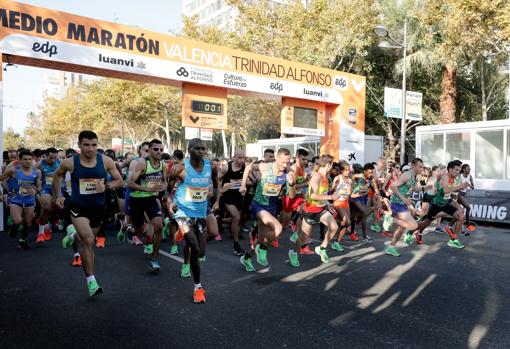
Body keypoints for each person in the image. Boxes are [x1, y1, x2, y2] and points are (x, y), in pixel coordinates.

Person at [54, 130, 122, 297]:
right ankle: (91, 281)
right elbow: (57, 176)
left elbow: (119, 181)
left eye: (94, 145)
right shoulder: (69, 163)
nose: (91, 149)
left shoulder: (106, 160)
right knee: (89, 239)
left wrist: (106, 186)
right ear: (79, 145)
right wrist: (59, 195)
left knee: (88, 243)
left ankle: (73, 234)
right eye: (86, 145)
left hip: (98, 207)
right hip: (78, 206)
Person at [167, 138, 219, 303]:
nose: (202, 151)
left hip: (201, 212)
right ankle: (198, 288)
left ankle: (182, 236)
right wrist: (170, 203)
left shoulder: (212, 166)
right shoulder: (179, 168)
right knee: (195, 248)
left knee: (202, 250)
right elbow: (167, 191)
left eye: (204, 149)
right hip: (182, 211)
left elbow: (217, 184)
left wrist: (216, 200)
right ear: (189, 150)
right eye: (198, 149)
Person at [239, 148, 293, 272]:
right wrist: (243, 185)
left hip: (272, 207)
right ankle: (263, 248)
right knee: (278, 229)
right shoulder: (265, 167)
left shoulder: (288, 173)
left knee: (262, 237)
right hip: (258, 205)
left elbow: (290, 195)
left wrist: (290, 183)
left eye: (288, 162)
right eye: (283, 162)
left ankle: (247, 257)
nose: (285, 165)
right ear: (277, 159)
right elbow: (248, 167)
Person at [289, 155, 339, 267]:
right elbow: (313, 195)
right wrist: (330, 198)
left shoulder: (326, 177)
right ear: (329, 165)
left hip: (321, 209)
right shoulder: (317, 176)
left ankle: (322, 248)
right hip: (310, 211)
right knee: (303, 239)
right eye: (331, 165)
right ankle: (293, 253)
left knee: (334, 227)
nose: (332, 168)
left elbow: (323, 194)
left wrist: (328, 204)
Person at [127, 139, 167, 271]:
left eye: (161, 149)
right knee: (139, 231)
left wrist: (162, 188)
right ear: (149, 150)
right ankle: (130, 230)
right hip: (136, 200)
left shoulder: (162, 165)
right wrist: (148, 188)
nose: (159, 152)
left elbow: (164, 182)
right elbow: (130, 184)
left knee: (159, 226)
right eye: (156, 149)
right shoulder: (142, 163)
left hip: (151, 199)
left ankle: (154, 259)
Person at [413, 160, 468, 250]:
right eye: (456, 170)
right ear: (450, 169)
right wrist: (460, 186)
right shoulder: (445, 177)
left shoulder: (454, 178)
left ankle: (453, 238)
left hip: (447, 201)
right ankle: (418, 232)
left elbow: (449, 190)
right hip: (437, 203)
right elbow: (446, 190)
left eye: (459, 170)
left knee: (461, 215)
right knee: (427, 222)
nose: (458, 172)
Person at [0, 149, 41, 249]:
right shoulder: (13, 170)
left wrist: (35, 191)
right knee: (18, 221)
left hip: (29, 200)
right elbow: (1, 179)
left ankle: (22, 240)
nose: (28, 161)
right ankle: (14, 226)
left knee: (28, 224)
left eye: (30, 159)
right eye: (25, 159)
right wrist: (5, 191)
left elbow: (39, 187)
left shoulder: (37, 172)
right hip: (15, 199)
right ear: (20, 160)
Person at [385, 158, 426, 257]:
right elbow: (393, 186)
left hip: (402, 203)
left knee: (402, 228)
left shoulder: (413, 176)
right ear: (414, 166)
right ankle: (390, 219)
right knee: (414, 226)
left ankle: (391, 247)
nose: (422, 169)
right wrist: (404, 199)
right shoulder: (407, 175)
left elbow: (414, 188)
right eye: (420, 167)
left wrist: (426, 188)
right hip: (397, 202)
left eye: (422, 167)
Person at [218, 150, 246, 256]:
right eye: (239, 158)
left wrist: (244, 185)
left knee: (239, 218)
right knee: (236, 217)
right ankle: (236, 244)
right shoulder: (226, 168)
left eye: (243, 158)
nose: (242, 160)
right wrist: (221, 189)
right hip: (228, 196)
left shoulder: (245, 167)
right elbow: (216, 179)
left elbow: (248, 179)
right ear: (233, 157)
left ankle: (220, 220)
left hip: (239, 196)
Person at [35, 147, 61, 243]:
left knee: (57, 209)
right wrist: (36, 187)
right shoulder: (40, 164)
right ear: (45, 156)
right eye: (50, 158)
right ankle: (41, 233)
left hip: (58, 189)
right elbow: (31, 175)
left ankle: (48, 226)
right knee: (46, 208)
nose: (53, 160)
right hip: (45, 189)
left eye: (55, 158)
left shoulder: (60, 163)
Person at [330, 160, 352, 251]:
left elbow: (350, 194)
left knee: (346, 224)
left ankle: (336, 242)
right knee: (347, 222)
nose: (348, 172)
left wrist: (357, 193)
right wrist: (335, 185)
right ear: (342, 171)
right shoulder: (337, 178)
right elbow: (331, 192)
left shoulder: (350, 180)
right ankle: (334, 221)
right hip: (338, 202)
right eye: (346, 170)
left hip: (346, 202)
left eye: (349, 170)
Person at [458, 163, 474, 230]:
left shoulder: (470, 177)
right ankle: (468, 224)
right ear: (464, 169)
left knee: (458, 211)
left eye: (470, 169)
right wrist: (461, 186)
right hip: (458, 194)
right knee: (468, 207)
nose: (469, 170)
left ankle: (452, 225)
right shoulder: (459, 176)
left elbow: (473, 187)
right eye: (468, 169)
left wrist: (469, 185)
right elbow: (454, 186)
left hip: (464, 194)